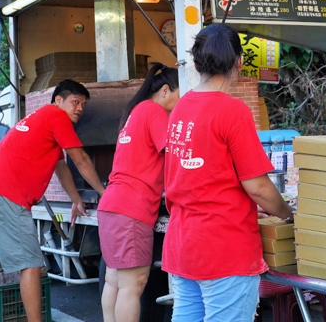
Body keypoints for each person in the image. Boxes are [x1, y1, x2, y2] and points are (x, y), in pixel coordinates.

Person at [163, 24, 294, 322]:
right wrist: (288, 214)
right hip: (224, 248)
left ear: (195, 64)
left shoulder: (180, 108)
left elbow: (202, 178)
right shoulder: (233, 111)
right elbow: (258, 187)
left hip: (183, 243)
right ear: (238, 62)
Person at [0, 79, 106, 322]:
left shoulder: (40, 119)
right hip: (7, 194)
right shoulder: (57, 117)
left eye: (83, 105)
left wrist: (76, 199)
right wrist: (104, 194)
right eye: (75, 102)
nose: (79, 108)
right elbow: (81, 159)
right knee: (31, 265)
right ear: (58, 100)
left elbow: (62, 166)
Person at [98, 63, 180, 322]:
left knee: (114, 281)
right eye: (180, 97)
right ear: (165, 90)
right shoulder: (154, 111)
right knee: (133, 285)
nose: (180, 106)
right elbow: (176, 155)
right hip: (132, 209)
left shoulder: (135, 112)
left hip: (112, 205)